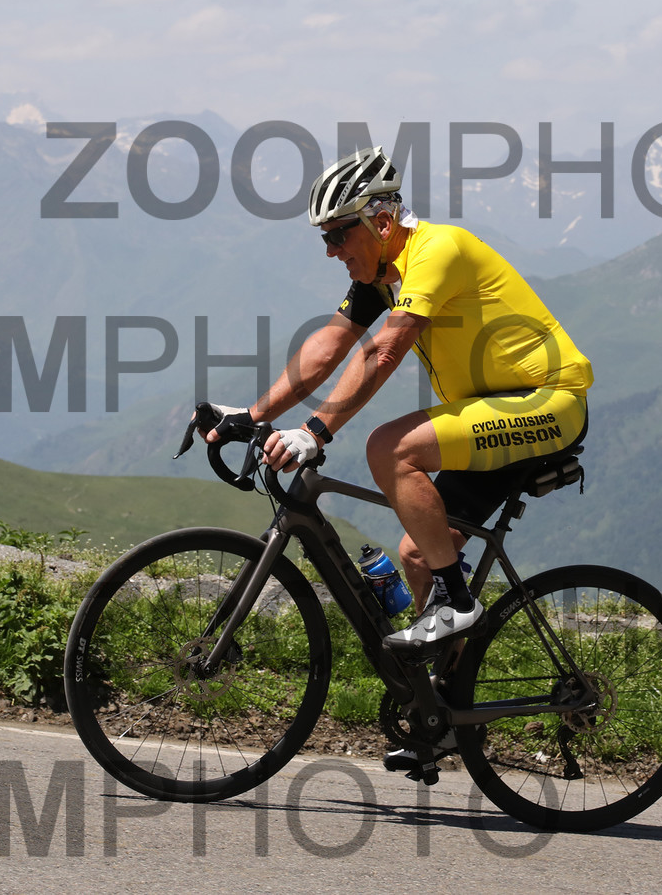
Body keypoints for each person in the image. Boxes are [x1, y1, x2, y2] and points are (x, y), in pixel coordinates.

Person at [205, 145, 591, 659]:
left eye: (339, 234)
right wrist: (250, 416)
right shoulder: (383, 276)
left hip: (547, 403)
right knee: (419, 554)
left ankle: (457, 604)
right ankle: (442, 696)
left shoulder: (437, 252)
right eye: (325, 237)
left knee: (389, 448)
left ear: (382, 223)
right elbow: (326, 349)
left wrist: (314, 432)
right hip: (492, 413)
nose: (331, 251)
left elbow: (384, 352)